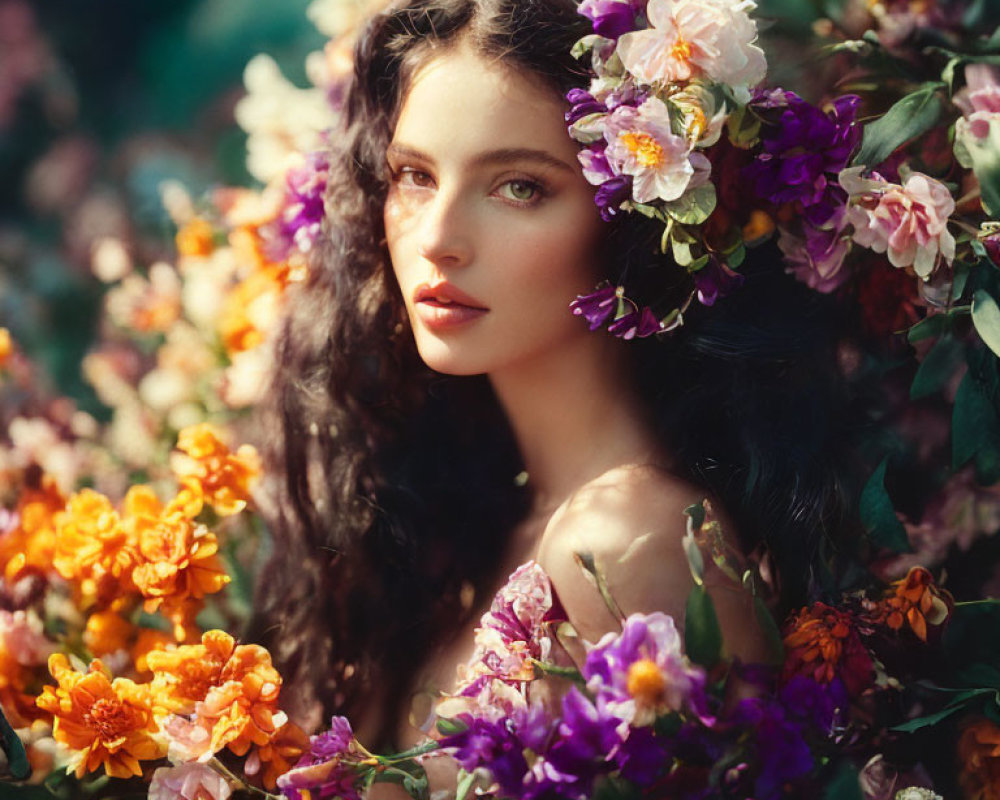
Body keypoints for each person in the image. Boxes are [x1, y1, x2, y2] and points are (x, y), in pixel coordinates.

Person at [249, 0, 851, 752]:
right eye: (413, 176)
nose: (438, 239)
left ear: (633, 216)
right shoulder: (470, 523)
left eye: (520, 187)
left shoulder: (633, 544)